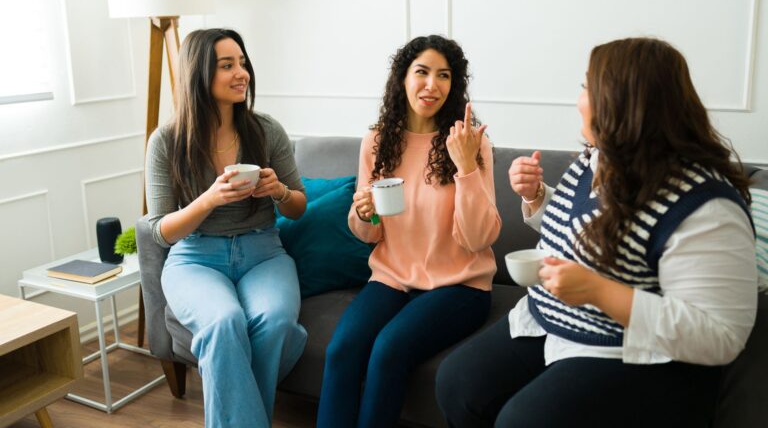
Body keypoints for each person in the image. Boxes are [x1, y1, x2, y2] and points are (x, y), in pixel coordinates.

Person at [436, 37, 757, 427]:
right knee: (457, 383)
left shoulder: (705, 206)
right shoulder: (598, 159)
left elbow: (720, 335)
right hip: (553, 321)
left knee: (522, 421)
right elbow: (597, 227)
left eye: (586, 87)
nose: (578, 100)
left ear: (620, 102)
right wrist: (538, 198)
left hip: (638, 353)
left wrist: (599, 292)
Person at [316, 35, 501, 428]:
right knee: (342, 349)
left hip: (460, 285)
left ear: (455, 85)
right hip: (393, 277)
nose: (432, 85)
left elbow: (479, 238)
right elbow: (370, 234)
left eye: (444, 75)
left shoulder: (469, 142)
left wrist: (466, 167)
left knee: (388, 350)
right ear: (402, 77)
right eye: (422, 72)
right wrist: (365, 214)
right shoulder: (378, 142)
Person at [144, 28, 308, 428]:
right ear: (200, 74)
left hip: (263, 252)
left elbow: (299, 207)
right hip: (195, 257)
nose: (242, 73)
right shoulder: (166, 141)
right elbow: (159, 231)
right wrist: (209, 199)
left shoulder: (266, 130)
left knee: (276, 321)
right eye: (227, 65)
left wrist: (279, 191)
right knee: (222, 322)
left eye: (243, 63)